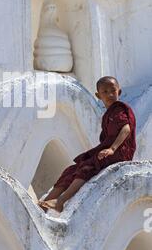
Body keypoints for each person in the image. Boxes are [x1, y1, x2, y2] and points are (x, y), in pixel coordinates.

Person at [38, 76, 136, 213]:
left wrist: (112, 149)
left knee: (87, 167)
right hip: (108, 151)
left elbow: (126, 128)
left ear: (119, 92)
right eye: (105, 92)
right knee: (72, 170)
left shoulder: (119, 109)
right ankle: (45, 203)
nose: (110, 95)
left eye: (113, 91)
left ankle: (61, 201)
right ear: (98, 95)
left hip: (120, 152)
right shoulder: (108, 114)